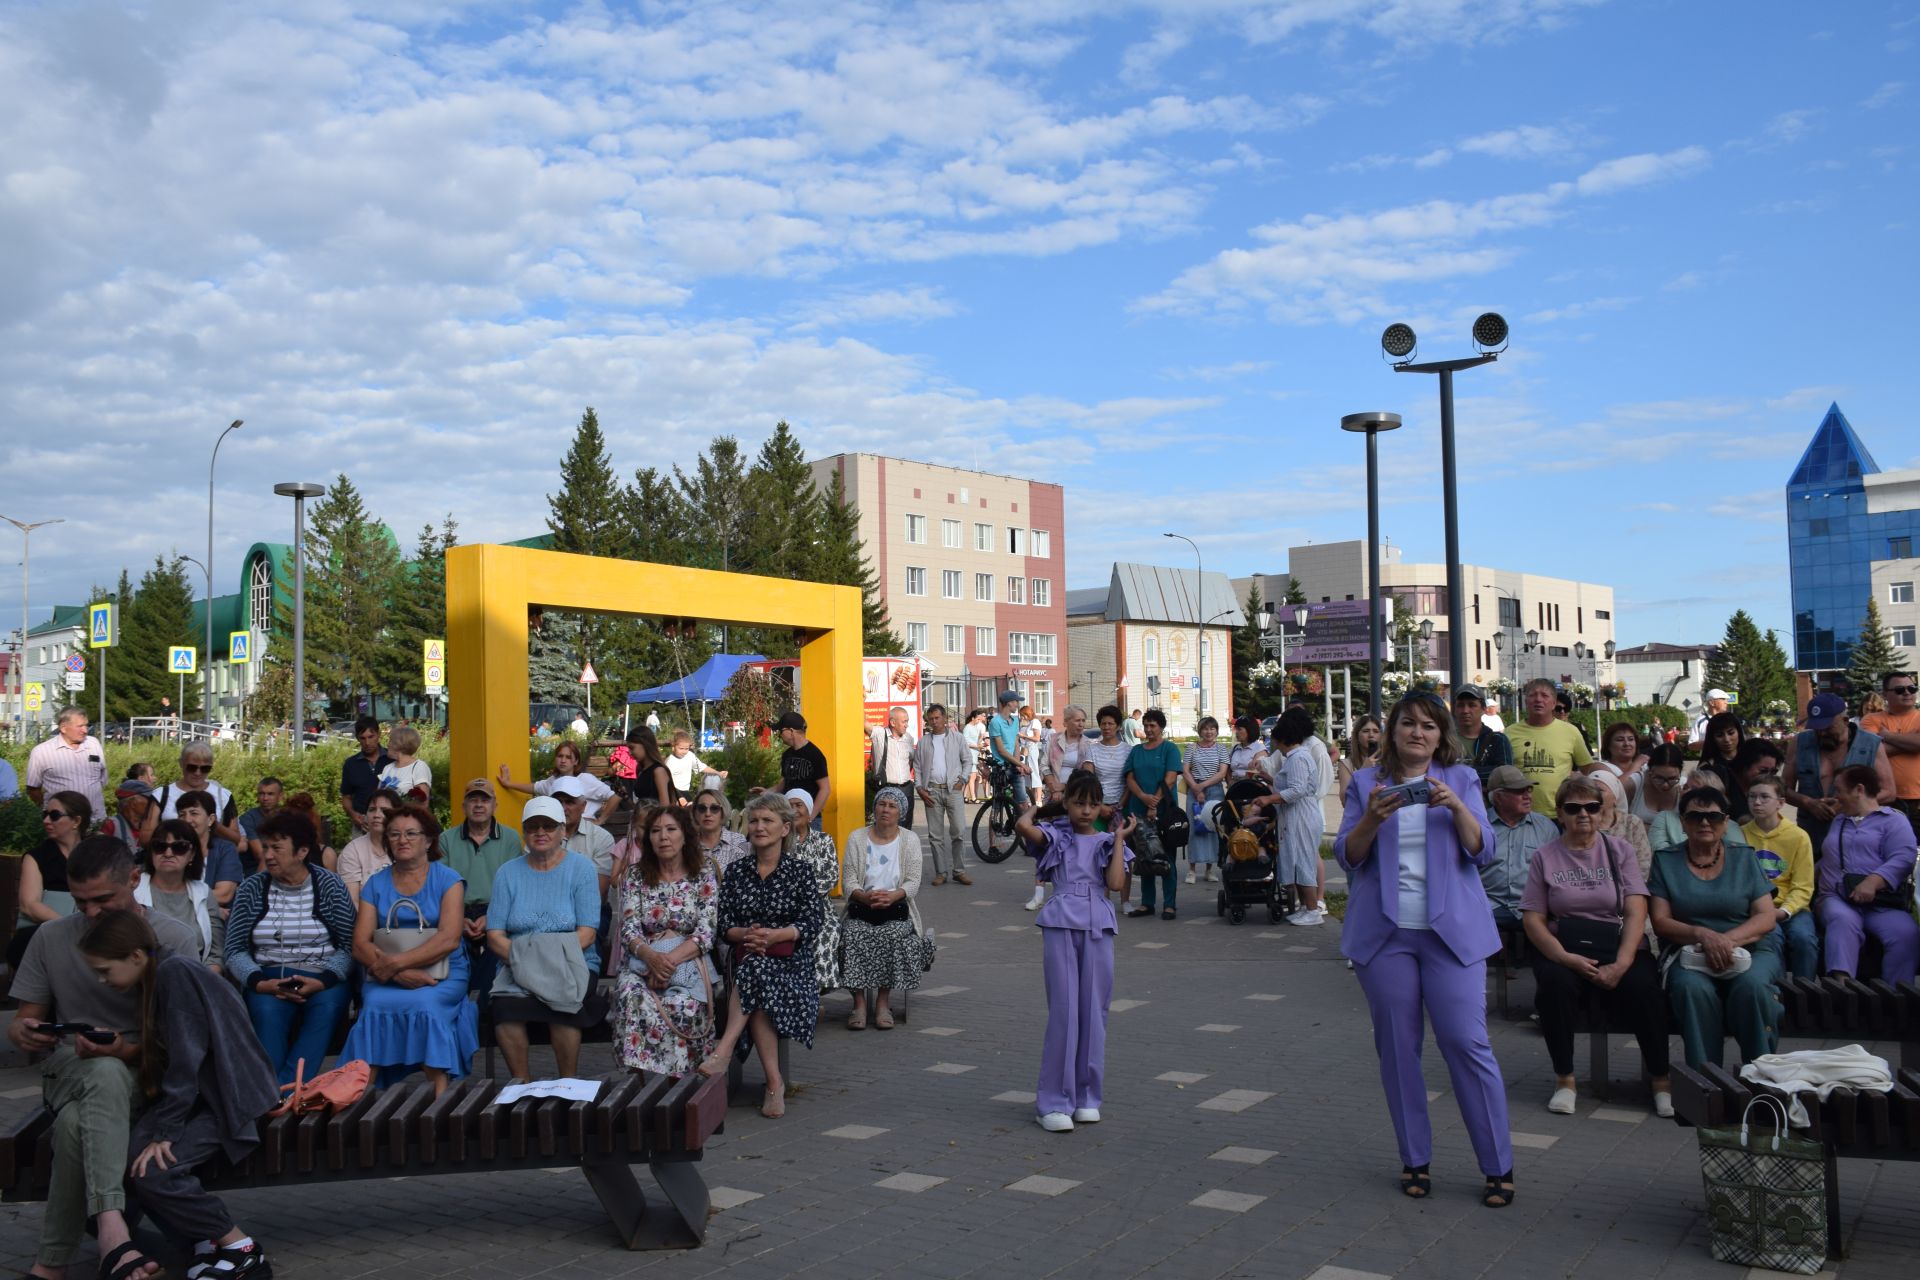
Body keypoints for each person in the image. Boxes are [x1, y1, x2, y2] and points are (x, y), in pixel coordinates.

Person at [1334, 692, 1512, 1209]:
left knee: (1466, 1044)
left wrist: (1457, 809)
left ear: (1441, 736)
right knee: (1397, 1051)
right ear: (1391, 732)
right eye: (1407, 724)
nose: (1418, 732)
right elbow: (1347, 856)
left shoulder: (1462, 780)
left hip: (1451, 937)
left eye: (1429, 726)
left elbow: (1484, 852)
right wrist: (1370, 819)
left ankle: (1497, 1164)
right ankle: (1415, 1158)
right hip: (1385, 936)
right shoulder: (1367, 783)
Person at [5, 837, 202, 1280]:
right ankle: (114, 1235)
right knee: (103, 1072)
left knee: (77, 1122)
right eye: (79, 902)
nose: (90, 913)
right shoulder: (51, 936)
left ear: (134, 880)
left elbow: (183, 1042)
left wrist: (126, 1049)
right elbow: (24, 1021)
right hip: (69, 1065)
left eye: (102, 900)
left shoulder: (172, 938)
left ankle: (49, 1266)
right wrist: (24, 1032)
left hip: (145, 1072)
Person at [79, 909, 280, 1280]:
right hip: (206, 1096)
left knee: (155, 1172)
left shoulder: (175, 973)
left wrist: (165, 1132)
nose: (102, 980)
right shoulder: (160, 974)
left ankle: (241, 1248)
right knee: (130, 1160)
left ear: (135, 956)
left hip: (228, 1099)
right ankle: (202, 1240)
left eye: (105, 970)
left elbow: (187, 1061)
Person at [1520, 774, 1672, 1118]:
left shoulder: (1620, 850)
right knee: (1554, 987)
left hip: (1614, 940)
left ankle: (1660, 1080)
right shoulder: (1545, 857)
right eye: (1573, 808)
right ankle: (1565, 1080)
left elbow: (1636, 909)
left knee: (1646, 987)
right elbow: (1533, 919)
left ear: (1603, 811)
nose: (1583, 814)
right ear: (1560, 813)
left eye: (1591, 807)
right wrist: (1565, 958)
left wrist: (1621, 962)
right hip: (1564, 945)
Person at [1014, 772, 1133, 1133]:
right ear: (1067, 803)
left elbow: (1114, 884)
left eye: (1092, 803)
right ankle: (1052, 1102)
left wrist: (1116, 840)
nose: (1085, 810)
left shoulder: (1105, 841)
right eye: (1078, 802)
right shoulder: (1057, 836)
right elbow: (1023, 825)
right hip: (1061, 923)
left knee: (1094, 1013)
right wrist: (1043, 806)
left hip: (1098, 923)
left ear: (1101, 806)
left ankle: (1085, 1097)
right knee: (1065, 1013)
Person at [697, 792, 825, 1119]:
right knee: (756, 968)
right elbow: (723, 923)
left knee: (756, 970)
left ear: (785, 828)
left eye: (767, 820)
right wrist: (748, 935)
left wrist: (777, 935)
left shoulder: (799, 872)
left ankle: (724, 1051)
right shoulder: (738, 872)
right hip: (748, 958)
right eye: (754, 820)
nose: (758, 826)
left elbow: (813, 922)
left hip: (792, 967)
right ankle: (773, 1083)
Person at [342, 804, 476, 1094]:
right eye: (394, 834)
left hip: (444, 972)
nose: (402, 840)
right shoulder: (375, 884)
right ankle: (360, 1097)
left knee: (426, 1005)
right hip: (387, 974)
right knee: (375, 1006)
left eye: (411, 833)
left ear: (428, 840)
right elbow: (360, 943)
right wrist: (397, 974)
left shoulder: (448, 880)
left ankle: (441, 1099)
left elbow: (449, 939)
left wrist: (395, 965)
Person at [1648, 788, 1782, 1070]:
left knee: (1753, 989)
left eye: (1713, 816)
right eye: (1695, 816)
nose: (1705, 823)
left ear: (1726, 821)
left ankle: (1762, 1079)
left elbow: (1766, 917)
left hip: (1750, 948)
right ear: (1682, 822)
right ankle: (1706, 1082)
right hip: (1688, 951)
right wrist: (1702, 936)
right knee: (1692, 990)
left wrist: (1726, 941)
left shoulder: (1744, 857)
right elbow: (1660, 921)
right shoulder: (1665, 860)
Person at [225, 808, 357, 1086]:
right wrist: (260, 983)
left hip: (323, 976)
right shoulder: (252, 888)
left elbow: (348, 944)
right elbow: (234, 949)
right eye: (266, 847)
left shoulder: (329, 885)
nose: (268, 855)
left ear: (302, 851)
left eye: (277, 848)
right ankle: (274, 1090)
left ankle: (286, 1090)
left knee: (328, 1008)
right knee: (267, 1013)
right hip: (268, 977)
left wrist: (323, 980)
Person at [486, 795, 606, 1083]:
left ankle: (568, 1083)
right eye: (532, 827)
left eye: (549, 826)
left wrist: (537, 957)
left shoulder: (582, 869)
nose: (540, 832)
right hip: (517, 963)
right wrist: (527, 960)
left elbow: (587, 934)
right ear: (524, 832)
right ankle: (522, 1085)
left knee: (562, 1008)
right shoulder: (507, 873)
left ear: (563, 831)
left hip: (572, 963)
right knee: (505, 1011)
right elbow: (495, 935)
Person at [612, 804, 717, 1076]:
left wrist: (667, 962)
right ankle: (639, 1083)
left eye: (671, 829)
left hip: (688, 960)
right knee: (631, 996)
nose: (663, 837)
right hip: (641, 961)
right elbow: (628, 929)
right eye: (656, 831)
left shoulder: (703, 873)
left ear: (685, 835)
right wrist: (651, 959)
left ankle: (678, 1083)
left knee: (683, 1004)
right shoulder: (635, 874)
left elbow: (707, 931)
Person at [1814, 763, 1919, 984]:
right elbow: (1828, 857)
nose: (1836, 795)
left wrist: (1874, 881)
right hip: (1837, 897)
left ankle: (1896, 996)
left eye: (1840, 790)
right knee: (1843, 920)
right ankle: (1841, 989)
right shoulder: (1840, 820)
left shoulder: (1893, 820)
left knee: (1906, 933)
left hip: (1879, 902)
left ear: (1859, 789)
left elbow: (1904, 857)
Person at [840, 787, 927, 1029]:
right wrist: (864, 897)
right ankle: (858, 1002)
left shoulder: (909, 839)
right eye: (882, 804)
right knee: (853, 934)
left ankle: (882, 1001)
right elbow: (849, 881)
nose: (885, 809)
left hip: (896, 907)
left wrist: (893, 896)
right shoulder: (857, 837)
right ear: (875, 808)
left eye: (892, 806)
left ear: (901, 812)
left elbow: (913, 881)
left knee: (892, 935)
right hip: (862, 906)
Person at [439, 777, 523, 995]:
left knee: (498, 949)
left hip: (498, 910)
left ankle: (480, 1006)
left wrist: (492, 917)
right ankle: (468, 1005)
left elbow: (514, 885)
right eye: (472, 800)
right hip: (457, 910)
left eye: (484, 800)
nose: (478, 805)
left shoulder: (511, 838)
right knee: (451, 948)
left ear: (495, 805)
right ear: (463, 806)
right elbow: (442, 886)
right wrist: (458, 919)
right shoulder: (446, 839)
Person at [1784, 692, 1896, 854]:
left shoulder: (1871, 744)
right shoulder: (1799, 743)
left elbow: (1889, 792)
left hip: (1857, 838)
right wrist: (1808, 803)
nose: (1822, 734)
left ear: (1845, 720)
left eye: (1828, 728)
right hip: (1811, 837)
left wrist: (1848, 804)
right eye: (1817, 729)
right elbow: (1782, 789)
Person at [1247, 709, 1328, 925]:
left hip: (1301, 816)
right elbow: (1291, 785)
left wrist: (1269, 799)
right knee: (1296, 861)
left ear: (1284, 740)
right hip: (1294, 817)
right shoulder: (1295, 758)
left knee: (1303, 861)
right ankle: (1305, 906)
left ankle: (1312, 910)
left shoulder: (1299, 758)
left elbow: (1297, 790)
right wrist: (1269, 778)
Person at [1741, 776, 1818, 978]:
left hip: (1792, 908)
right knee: (1771, 939)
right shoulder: (1740, 835)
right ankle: (1777, 991)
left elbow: (1803, 886)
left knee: (1804, 938)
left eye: (1764, 797)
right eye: (1752, 797)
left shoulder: (1799, 836)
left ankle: (1805, 990)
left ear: (1781, 803)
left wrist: (1784, 911)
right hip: (1756, 909)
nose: (1757, 802)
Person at [10, 790, 92, 969]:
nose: (46, 821)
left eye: (54, 815)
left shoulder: (95, 854)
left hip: (88, 929)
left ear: (76, 821)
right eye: (45, 814)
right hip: (44, 930)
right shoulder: (37, 856)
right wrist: (70, 927)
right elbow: (29, 905)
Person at [133, 818, 223, 967]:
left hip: (197, 977)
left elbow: (216, 954)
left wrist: (199, 982)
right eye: (160, 846)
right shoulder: (134, 889)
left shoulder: (204, 893)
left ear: (192, 854)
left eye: (179, 847)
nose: (168, 853)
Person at [1479, 765, 1559, 929]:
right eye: (1519, 791)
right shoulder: (1479, 826)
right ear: (1498, 797)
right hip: (1488, 905)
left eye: (1528, 790)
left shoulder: (1545, 826)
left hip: (1534, 907)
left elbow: (1557, 872)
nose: (1527, 796)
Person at [1122, 709, 1182, 920]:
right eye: (1145, 725)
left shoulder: (1170, 749)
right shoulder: (1137, 750)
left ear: (1161, 727)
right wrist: (1143, 797)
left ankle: (1169, 905)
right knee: (1145, 856)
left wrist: (1154, 801)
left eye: (1152, 725)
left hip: (1164, 812)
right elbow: (1129, 777)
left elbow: (1171, 777)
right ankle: (1147, 903)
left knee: (1167, 858)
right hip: (1138, 810)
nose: (1148, 729)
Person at [1507, 678, 1593, 818]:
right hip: (1521, 815)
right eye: (1532, 695)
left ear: (1553, 703)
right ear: (1526, 701)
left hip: (1560, 815)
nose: (1538, 699)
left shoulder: (1571, 732)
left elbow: (1588, 768)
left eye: (1545, 695)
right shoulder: (1509, 733)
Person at [786, 789, 843, 994]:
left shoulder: (823, 840)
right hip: (785, 908)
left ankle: (816, 992)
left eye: (799, 805)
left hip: (819, 908)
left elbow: (831, 875)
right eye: (790, 805)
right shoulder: (779, 842)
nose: (794, 810)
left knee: (827, 932)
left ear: (809, 811)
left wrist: (801, 892)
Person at [915, 702, 974, 889]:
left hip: (953, 790)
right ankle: (941, 872)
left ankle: (959, 871)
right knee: (935, 835)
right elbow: (917, 767)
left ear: (945, 718)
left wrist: (962, 780)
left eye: (937, 718)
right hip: (931, 791)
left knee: (958, 832)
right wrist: (919, 788)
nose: (934, 721)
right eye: (931, 718)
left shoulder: (957, 738)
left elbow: (967, 760)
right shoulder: (924, 741)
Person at [500, 738, 621, 824]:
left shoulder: (585, 779)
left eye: (568, 757)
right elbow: (534, 787)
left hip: (583, 833)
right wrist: (508, 784)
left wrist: (600, 820)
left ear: (576, 761)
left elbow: (614, 797)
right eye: (560, 756)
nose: (563, 760)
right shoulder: (552, 781)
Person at [1860, 671, 1920, 838]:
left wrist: (1888, 736)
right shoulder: (1871, 720)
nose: (1907, 692)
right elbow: (1870, 752)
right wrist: (1911, 744)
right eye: (1900, 689)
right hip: (1887, 802)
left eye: (1912, 688)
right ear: (1885, 694)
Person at [25, 706, 107, 823]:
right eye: (80, 726)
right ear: (63, 728)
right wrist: (49, 810)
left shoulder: (94, 744)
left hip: (95, 820)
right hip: (62, 824)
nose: (85, 730)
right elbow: (33, 789)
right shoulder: (42, 751)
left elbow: (102, 778)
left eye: (86, 725)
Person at [172, 789, 244, 909]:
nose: (187, 820)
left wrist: (177, 899)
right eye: (182, 814)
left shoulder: (225, 850)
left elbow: (223, 894)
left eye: (194, 813)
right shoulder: (170, 849)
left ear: (210, 819)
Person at [1183, 717, 1229, 886]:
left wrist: (1201, 786)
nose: (1209, 732)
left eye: (1212, 729)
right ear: (1200, 730)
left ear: (1217, 731)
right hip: (1194, 791)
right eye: (1205, 729)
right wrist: (1196, 788)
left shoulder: (1221, 749)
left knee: (1213, 829)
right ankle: (1192, 869)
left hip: (1215, 791)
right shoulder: (1191, 748)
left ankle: (1210, 869)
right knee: (1195, 828)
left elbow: (1222, 772)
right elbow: (1186, 770)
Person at [336, 787, 401, 904]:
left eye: (384, 810)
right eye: (372, 809)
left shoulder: (406, 846)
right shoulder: (353, 851)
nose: (376, 815)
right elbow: (352, 902)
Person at [1590, 770, 1654, 877]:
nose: (1593, 795)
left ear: (1615, 797)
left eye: (1600, 790)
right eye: (1589, 791)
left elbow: (1643, 864)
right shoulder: (1582, 823)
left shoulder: (1631, 823)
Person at [1454, 685, 1512, 794]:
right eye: (1460, 705)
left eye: (1472, 705)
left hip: (1489, 808)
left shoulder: (1497, 740)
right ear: (1455, 709)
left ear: (1484, 709)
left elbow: (1505, 775)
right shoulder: (1445, 740)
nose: (1465, 710)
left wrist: (1459, 773)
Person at [340, 715, 393, 834]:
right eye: (362, 738)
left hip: (390, 822)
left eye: (371, 736)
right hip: (362, 824)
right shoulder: (351, 764)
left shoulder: (392, 759)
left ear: (378, 735)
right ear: (357, 739)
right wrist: (354, 815)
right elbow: (346, 797)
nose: (367, 742)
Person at [869, 707, 918, 827]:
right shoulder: (880, 734)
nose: (906, 725)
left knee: (905, 828)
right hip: (886, 789)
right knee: (886, 828)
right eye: (904, 722)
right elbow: (863, 723)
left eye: (907, 721)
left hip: (906, 789)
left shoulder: (909, 738)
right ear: (892, 722)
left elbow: (910, 762)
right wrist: (861, 697)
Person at [690, 789, 750, 876]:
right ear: (695, 813)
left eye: (714, 808)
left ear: (723, 811)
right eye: (702, 808)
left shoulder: (737, 841)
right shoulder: (688, 844)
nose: (707, 813)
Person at [986, 690, 1030, 806]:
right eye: (1016, 702)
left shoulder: (1015, 720)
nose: (1017, 704)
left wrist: (1017, 764)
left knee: (1022, 804)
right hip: (1001, 768)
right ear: (1009, 703)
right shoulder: (995, 722)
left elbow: (1016, 744)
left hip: (1013, 765)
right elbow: (1001, 750)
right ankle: (995, 823)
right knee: (997, 806)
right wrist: (1022, 765)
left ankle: (1018, 821)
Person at [97, 777, 160, 856]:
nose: (153, 802)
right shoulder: (112, 825)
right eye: (149, 799)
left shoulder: (152, 823)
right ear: (133, 802)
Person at [1593, 723, 1648, 810]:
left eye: (1631, 739)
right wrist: (1635, 766)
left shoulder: (1645, 766)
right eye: (1620, 740)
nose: (1627, 743)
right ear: (1608, 745)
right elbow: (1614, 791)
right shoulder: (1600, 767)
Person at [236, 776, 283, 875]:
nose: (265, 798)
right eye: (262, 794)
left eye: (270, 794)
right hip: (254, 869)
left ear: (280, 796)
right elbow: (259, 854)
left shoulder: (288, 817)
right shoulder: (248, 818)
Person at [1631, 743, 1686, 829]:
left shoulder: (1685, 787)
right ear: (1649, 771)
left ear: (1680, 773)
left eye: (1672, 779)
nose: (1665, 785)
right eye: (1659, 778)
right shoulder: (1635, 783)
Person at [376, 725, 432, 805]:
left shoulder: (419, 767)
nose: (387, 745)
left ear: (399, 744)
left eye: (390, 741)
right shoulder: (387, 768)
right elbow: (377, 798)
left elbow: (423, 805)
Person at [664, 730, 727, 801]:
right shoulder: (670, 762)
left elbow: (703, 767)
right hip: (673, 792)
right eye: (681, 748)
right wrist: (679, 797)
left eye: (686, 749)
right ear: (673, 747)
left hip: (685, 791)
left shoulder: (690, 756)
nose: (684, 751)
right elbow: (667, 782)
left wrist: (718, 773)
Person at [1336, 715, 1383, 796]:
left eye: (1376, 731)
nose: (1371, 735)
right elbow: (1345, 800)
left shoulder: (1389, 760)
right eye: (1366, 731)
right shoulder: (1346, 764)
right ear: (1357, 736)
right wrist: (1363, 772)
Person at [1227, 715, 1268, 783]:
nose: (1236, 732)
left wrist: (1236, 784)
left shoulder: (1260, 749)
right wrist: (1229, 781)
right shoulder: (1235, 748)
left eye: (1239, 729)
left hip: (1250, 787)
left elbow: (1254, 773)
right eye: (1236, 728)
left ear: (1249, 730)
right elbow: (1228, 769)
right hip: (1234, 787)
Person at [962, 708, 990, 803]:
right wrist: (977, 745)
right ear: (973, 718)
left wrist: (980, 746)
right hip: (969, 753)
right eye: (977, 719)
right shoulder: (967, 727)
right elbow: (965, 742)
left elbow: (976, 741)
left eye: (979, 719)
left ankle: (965, 796)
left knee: (971, 777)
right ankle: (973, 797)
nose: (979, 721)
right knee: (972, 777)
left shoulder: (975, 727)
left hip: (974, 752)